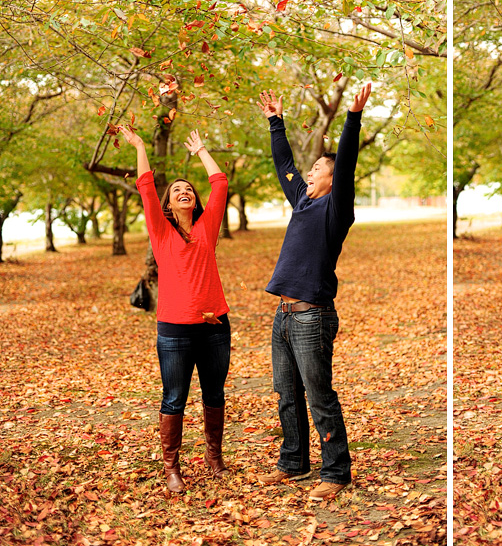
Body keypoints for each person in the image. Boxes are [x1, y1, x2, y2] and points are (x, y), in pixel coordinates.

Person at [253, 82, 371, 501]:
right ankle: (294, 462)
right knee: (287, 394)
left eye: (317, 169)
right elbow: (284, 164)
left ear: (330, 177)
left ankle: (336, 472)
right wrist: (275, 123)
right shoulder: (303, 202)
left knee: (319, 396)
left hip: (312, 314)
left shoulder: (336, 207)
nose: (308, 174)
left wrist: (352, 119)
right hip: (283, 313)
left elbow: (347, 165)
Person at [121, 126, 231, 494]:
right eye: (177, 191)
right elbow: (146, 186)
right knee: (174, 397)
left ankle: (214, 458)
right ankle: (172, 467)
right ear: (168, 205)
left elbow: (219, 182)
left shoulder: (207, 227)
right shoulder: (161, 231)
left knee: (214, 394)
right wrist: (139, 145)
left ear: (195, 201)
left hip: (215, 324)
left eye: (189, 190)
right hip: (174, 330)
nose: (184, 192)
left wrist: (201, 150)